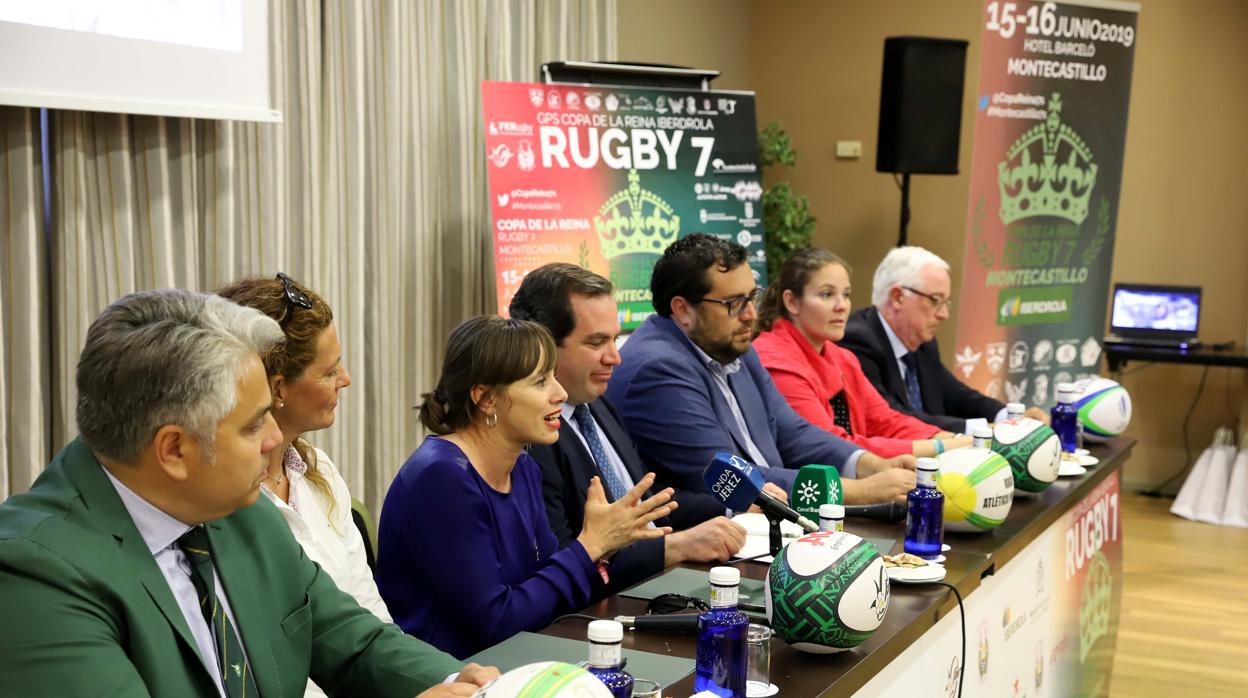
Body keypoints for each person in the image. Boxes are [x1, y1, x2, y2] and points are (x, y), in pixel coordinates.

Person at [0, 289, 495, 697]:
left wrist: (450, 681)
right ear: (174, 450)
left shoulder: (240, 509)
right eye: (255, 424)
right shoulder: (36, 577)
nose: (276, 439)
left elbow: (349, 637)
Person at [375, 315, 674, 659]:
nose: (560, 393)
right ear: (486, 398)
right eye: (540, 382)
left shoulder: (524, 466)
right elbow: (498, 622)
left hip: (518, 660)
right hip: (454, 677)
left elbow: (546, 589)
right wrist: (589, 546)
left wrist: (603, 547)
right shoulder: (442, 478)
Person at [606, 234, 917, 505]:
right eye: (734, 303)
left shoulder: (731, 344)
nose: (750, 315)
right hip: (711, 540)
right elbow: (730, 481)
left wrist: (868, 464)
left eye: (751, 297)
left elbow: (791, 431)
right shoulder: (658, 370)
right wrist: (858, 491)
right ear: (683, 310)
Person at [511, 263, 746, 594]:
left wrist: (733, 506)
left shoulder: (596, 403)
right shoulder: (531, 435)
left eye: (615, 339)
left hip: (663, 581)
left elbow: (644, 499)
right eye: (596, 343)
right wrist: (675, 547)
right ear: (543, 346)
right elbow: (563, 560)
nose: (614, 358)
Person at [218, 273, 388, 698]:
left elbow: (367, 612)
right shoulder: (220, 504)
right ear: (276, 389)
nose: (345, 379)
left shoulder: (321, 471)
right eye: (329, 371)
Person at [754, 247, 974, 458]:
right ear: (792, 302)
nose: (842, 306)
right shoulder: (776, 363)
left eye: (846, 294)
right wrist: (941, 446)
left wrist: (950, 438)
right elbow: (829, 448)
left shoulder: (842, 357)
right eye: (827, 294)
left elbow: (885, 420)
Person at [839, 246, 1050, 433]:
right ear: (897, 297)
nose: (943, 315)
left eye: (945, 302)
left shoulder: (923, 342)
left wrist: (1010, 418)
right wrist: (984, 430)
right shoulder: (857, 342)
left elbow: (956, 395)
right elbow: (891, 418)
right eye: (935, 300)